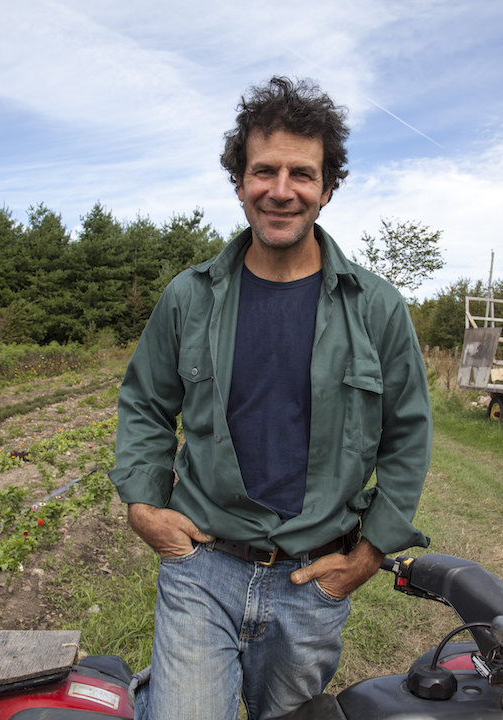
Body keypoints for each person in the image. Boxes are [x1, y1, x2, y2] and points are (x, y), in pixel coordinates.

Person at [108, 76, 432, 720]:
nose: (281, 190)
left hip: (312, 583)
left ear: (328, 188)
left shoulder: (376, 308)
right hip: (204, 568)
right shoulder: (189, 297)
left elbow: (407, 437)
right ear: (239, 182)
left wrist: (367, 557)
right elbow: (145, 402)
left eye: (302, 174)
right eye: (264, 171)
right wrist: (144, 504)